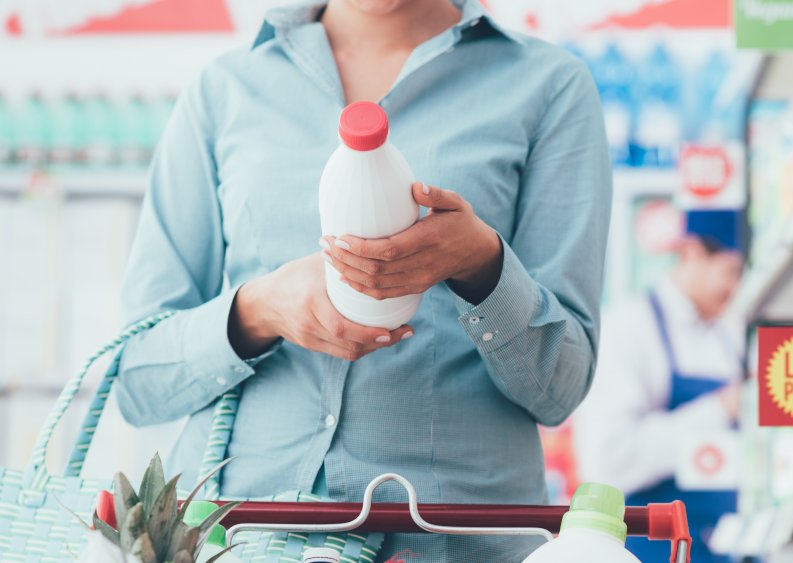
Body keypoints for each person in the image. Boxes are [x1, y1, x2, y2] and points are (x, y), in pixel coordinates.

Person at [113, 0, 612, 560]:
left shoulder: (547, 86)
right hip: (240, 538)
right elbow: (134, 377)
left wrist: (481, 265)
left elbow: (560, 389)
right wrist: (256, 312)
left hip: (449, 543)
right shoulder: (226, 89)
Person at [573, 210, 745, 563]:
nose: (736, 288)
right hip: (653, 550)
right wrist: (718, 410)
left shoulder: (729, 335)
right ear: (693, 253)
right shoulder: (630, 329)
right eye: (730, 272)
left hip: (725, 548)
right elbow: (610, 461)